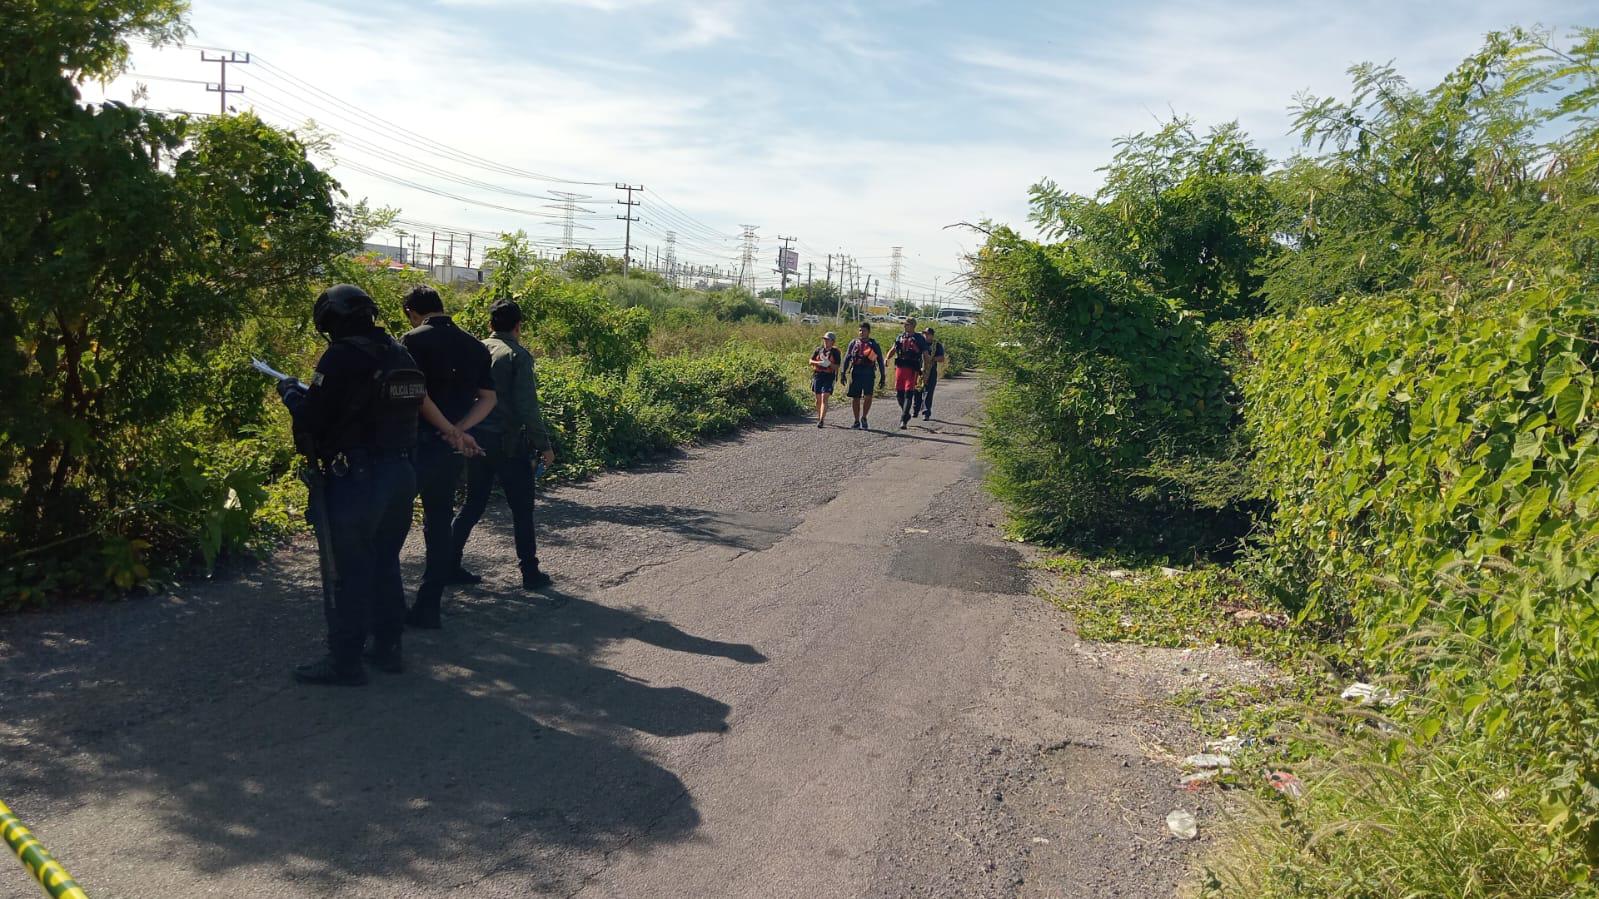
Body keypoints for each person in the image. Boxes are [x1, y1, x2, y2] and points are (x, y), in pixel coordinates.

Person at [275, 284, 439, 685]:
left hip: (357, 480)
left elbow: (313, 417)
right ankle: (388, 648)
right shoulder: (399, 352)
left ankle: (345, 660)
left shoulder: (341, 356)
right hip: (400, 474)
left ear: (331, 320)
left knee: (346, 570)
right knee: (385, 562)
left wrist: (291, 394)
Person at [399, 286, 495, 630]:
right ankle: (429, 606)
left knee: (391, 524)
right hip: (450, 450)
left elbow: (416, 393)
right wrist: (459, 429)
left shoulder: (411, 341)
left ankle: (389, 607)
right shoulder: (475, 345)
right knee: (438, 524)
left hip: (413, 444)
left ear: (411, 311)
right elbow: (488, 398)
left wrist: (446, 428)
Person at [449, 299, 558, 591]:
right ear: (518, 326)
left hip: (475, 439)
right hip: (509, 444)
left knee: (473, 503)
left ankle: (448, 562)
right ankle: (530, 572)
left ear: (489, 324)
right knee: (522, 510)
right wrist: (543, 445)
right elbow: (527, 407)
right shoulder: (517, 356)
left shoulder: (476, 349)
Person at [886, 317, 930, 429]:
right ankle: (906, 413)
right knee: (899, 394)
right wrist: (887, 358)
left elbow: (925, 355)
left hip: (912, 368)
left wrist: (925, 370)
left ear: (913, 326)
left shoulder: (919, 338)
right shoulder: (900, 337)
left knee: (908, 393)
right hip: (900, 367)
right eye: (904, 324)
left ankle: (904, 419)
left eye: (907, 324)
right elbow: (893, 349)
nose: (904, 326)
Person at [842, 321, 885, 430]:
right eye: (860, 330)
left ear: (868, 332)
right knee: (855, 397)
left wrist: (883, 376)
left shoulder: (874, 344)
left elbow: (879, 360)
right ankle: (856, 420)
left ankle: (864, 417)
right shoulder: (853, 343)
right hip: (856, 372)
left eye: (864, 330)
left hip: (868, 373)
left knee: (868, 396)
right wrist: (843, 373)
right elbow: (847, 358)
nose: (861, 332)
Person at [809, 331, 842, 428]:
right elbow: (810, 361)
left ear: (833, 342)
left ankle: (821, 420)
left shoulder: (835, 352)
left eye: (828, 340)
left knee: (824, 397)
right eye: (825, 339)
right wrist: (818, 363)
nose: (825, 341)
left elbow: (837, 366)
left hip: (829, 376)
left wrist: (829, 364)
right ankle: (819, 418)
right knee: (818, 398)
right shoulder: (818, 350)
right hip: (818, 376)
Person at [918, 326, 946, 420]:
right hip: (919, 371)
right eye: (924, 334)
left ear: (932, 336)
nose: (925, 336)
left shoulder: (936, 345)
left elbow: (942, 358)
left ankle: (926, 412)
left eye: (927, 334)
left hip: (931, 371)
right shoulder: (919, 344)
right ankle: (916, 408)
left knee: (928, 392)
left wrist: (931, 359)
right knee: (917, 391)